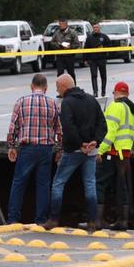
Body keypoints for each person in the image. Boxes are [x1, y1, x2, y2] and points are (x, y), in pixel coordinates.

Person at [43, 74, 106, 231]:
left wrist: (80, 144)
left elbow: (68, 127)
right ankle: (92, 221)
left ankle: (53, 219)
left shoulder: (67, 102)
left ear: (64, 86)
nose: (57, 90)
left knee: (58, 183)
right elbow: (102, 124)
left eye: (58, 87)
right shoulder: (91, 100)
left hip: (74, 150)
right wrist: (95, 141)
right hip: (91, 151)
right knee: (90, 184)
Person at [5, 73, 62, 224]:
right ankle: (41, 220)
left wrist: (11, 146)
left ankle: (13, 219)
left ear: (31, 86)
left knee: (19, 183)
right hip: (46, 149)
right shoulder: (53, 103)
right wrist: (59, 150)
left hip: (27, 149)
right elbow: (59, 130)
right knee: (43, 185)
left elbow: (13, 127)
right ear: (46, 88)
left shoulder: (21, 102)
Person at [97, 81, 134, 230]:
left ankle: (97, 220)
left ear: (115, 93)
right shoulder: (129, 109)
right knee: (122, 186)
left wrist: (100, 150)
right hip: (124, 153)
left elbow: (110, 132)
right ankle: (123, 220)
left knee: (99, 183)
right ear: (127, 94)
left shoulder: (115, 106)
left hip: (113, 152)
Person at [84, 22, 111, 97]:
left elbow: (110, 45)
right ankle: (95, 91)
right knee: (94, 75)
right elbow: (85, 49)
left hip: (102, 59)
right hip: (92, 60)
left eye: (97, 27)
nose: (95, 29)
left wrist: (104, 47)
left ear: (99, 28)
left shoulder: (104, 36)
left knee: (103, 76)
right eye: (94, 27)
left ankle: (103, 91)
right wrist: (85, 59)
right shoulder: (89, 38)